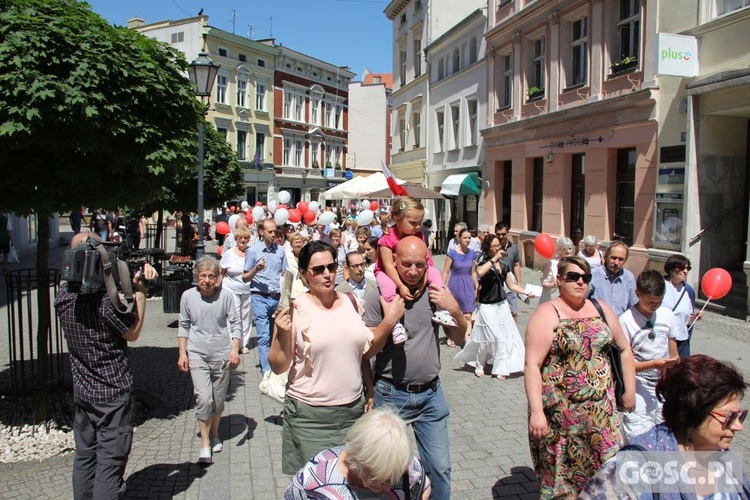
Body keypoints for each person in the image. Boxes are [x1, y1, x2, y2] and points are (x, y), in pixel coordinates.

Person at [363, 236, 468, 500]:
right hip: (390, 394)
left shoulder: (436, 293)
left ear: (428, 263)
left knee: (440, 470)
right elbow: (367, 351)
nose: (412, 271)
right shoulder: (380, 296)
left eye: (419, 265)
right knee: (385, 472)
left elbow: (458, 338)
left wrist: (455, 310)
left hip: (430, 396)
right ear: (394, 261)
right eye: (406, 264)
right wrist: (390, 321)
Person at [270, 241, 387, 475]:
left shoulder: (351, 302)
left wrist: (370, 390)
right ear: (304, 274)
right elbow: (278, 365)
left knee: (351, 483)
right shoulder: (294, 309)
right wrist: (281, 334)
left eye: (331, 267)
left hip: (352, 412)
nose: (326, 274)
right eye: (318, 269)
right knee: (319, 484)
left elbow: (362, 354)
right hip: (310, 416)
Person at [525, 255, 636, 498]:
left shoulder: (600, 307)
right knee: (563, 483)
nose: (580, 283)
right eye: (573, 277)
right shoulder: (547, 313)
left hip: (602, 418)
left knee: (607, 477)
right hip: (560, 420)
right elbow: (532, 365)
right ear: (560, 280)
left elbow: (625, 349)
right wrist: (536, 412)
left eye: (585, 278)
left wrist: (629, 389)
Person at [55, 232, 156, 499]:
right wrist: (141, 294)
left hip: (83, 392)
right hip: (112, 396)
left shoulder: (62, 296)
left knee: (85, 457)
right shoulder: (104, 305)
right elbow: (132, 332)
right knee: (110, 466)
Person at [581, 355, 750, 499]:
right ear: (690, 413)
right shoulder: (634, 469)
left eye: (740, 416)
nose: (738, 426)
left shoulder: (721, 456)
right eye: (730, 417)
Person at [284, 408, 431, 499]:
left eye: (391, 479)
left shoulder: (406, 467)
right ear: (356, 461)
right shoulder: (315, 478)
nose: (387, 488)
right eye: (379, 479)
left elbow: (424, 487)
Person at [178, 256, 241, 464]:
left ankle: (214, 433)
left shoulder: (226, 297)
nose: (206, 280)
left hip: (222, 355)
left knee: (218, 401)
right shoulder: (187, 296)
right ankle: (204, 443)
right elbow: (184, 325)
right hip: (197, 354)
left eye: (211, 276)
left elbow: (235, 323)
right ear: (196, 276)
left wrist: (235, 349)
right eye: (203, 276)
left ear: (217, 278)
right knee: (203, 398)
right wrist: (182, 353)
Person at [376, 197, 456, 345]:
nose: (418, 226)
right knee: (387, 287)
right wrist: (400, 285)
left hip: (414, 269)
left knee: (436, 274)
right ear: (397, 219)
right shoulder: (386, 239)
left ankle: (440, 309)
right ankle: (395, 322)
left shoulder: (418, 235)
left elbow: (426, 262)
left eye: (419, 222)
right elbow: (387, 266)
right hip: (386, 272)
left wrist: (423, 282)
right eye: (413, 223)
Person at [454, 234, 533, 379]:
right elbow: (480, 272)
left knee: (503, 337)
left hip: (501, 305)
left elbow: (511, 285)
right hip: (486, 306)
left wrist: (526, 293)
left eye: (499, 245)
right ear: (488, 248)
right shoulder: (483, 261)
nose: (498, 248)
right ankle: (479, 363)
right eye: (494, 246)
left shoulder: (504, 264)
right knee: (488, 337)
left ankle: (501, 369)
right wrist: (494, 259)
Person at [618, 270, 680, 441]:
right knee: (639, 435)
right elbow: (625, 363)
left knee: (665, 433)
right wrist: (654, 364)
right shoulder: (626, 321)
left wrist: (674, 367)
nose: (654, 306)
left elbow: (674, 353)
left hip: (663, 387)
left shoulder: (667, 315)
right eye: (650, 302)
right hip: (638, 388)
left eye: (658, 302)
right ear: (638, 294)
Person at [243, 219, 287, 383]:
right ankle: (267, 371)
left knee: (276, 335)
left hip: (276, 298)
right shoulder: (253, 252)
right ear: (261, 232)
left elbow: (284, 275)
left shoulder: (280, 251)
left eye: (275, 231)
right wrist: (256, 269)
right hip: (259, 296)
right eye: (270, 231)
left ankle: (277, 365)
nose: (274, 234)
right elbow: (245, 277)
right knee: (263, 336)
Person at [441, 227, 479, 346]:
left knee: (468, 315)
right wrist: (442, 286)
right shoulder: (452, 253)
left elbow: (473, 272)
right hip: (455, 285)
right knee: (454, 314)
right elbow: (446, 271)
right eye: (465, 238)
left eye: (469, 238)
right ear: (459, 238)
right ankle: (452, 336)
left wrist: (477, 286)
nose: (467, 240)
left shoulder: (472, 254)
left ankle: (467, 339)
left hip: (468, 285)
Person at [219, 226, 253, 354]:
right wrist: (217, 289)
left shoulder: (252, 252)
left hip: (247, 289)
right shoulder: (229, 254)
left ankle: (243, 343)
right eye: (240, 238)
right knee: (234, 316)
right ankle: (233, 342)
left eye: (246, 238)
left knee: (246, 316)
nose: (243, 240)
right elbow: (222, 272)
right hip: (231, 288)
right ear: (236, 239)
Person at [661, 253, 702, 358]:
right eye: (681, 268)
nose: (685, 271)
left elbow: (687, 319)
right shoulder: (660, 285)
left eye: (688, 268)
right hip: (662, 339)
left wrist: (694, 317)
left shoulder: (688, 290)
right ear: (671, 269)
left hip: (682, 339)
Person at [587, 240, 638, 317]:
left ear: (625, 260)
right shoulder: (593, 275)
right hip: (598, 324)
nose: (616, 263)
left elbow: (633, 306)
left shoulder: (629, 278)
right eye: (613, 258)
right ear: (606, 257)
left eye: (621, 259)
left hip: (620, 324)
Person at [495, 221, 524, 322]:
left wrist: (519, 282)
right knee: (498, 312)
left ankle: (513, 335)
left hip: (510, 281)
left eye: (503, 234)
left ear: (508, 233)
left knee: (514, 312)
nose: (501, 236)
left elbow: (516, 265)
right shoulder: (493, 248)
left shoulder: (513, 247)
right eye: (498, 234)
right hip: (497, 283)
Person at [538, 236, 576, 304]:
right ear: (560, 250)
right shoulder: (552, 264)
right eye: (564, 249)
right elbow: (544, 282)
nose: (568, 251)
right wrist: (554, 284)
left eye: (570, 248)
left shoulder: (574, 263)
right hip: (553, 298)